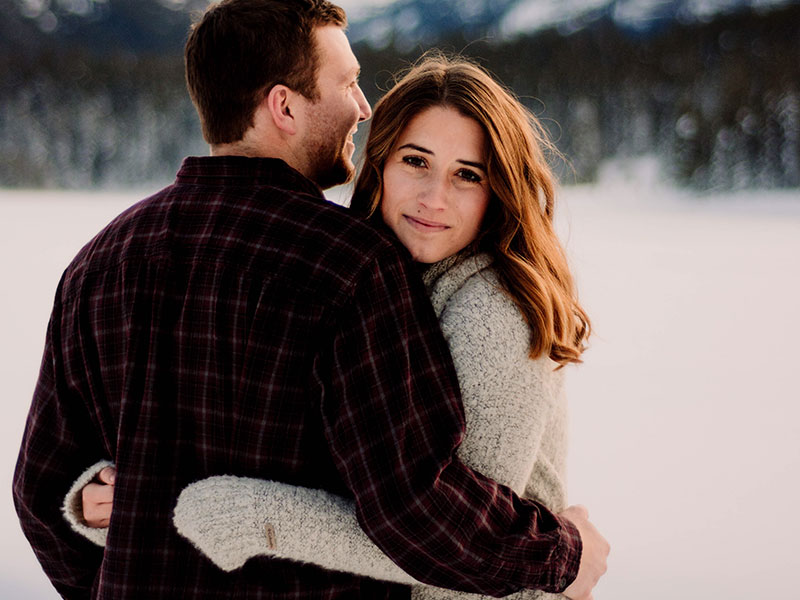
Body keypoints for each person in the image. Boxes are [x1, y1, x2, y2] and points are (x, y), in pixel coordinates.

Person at [14, 0, 607, 598]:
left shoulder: (98, 262)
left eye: (466, 175)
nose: (363, 106)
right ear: (284, 105)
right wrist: (560, 553)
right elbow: (415, 509)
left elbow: (40, 492)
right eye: (347, 82)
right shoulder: (350, 266)